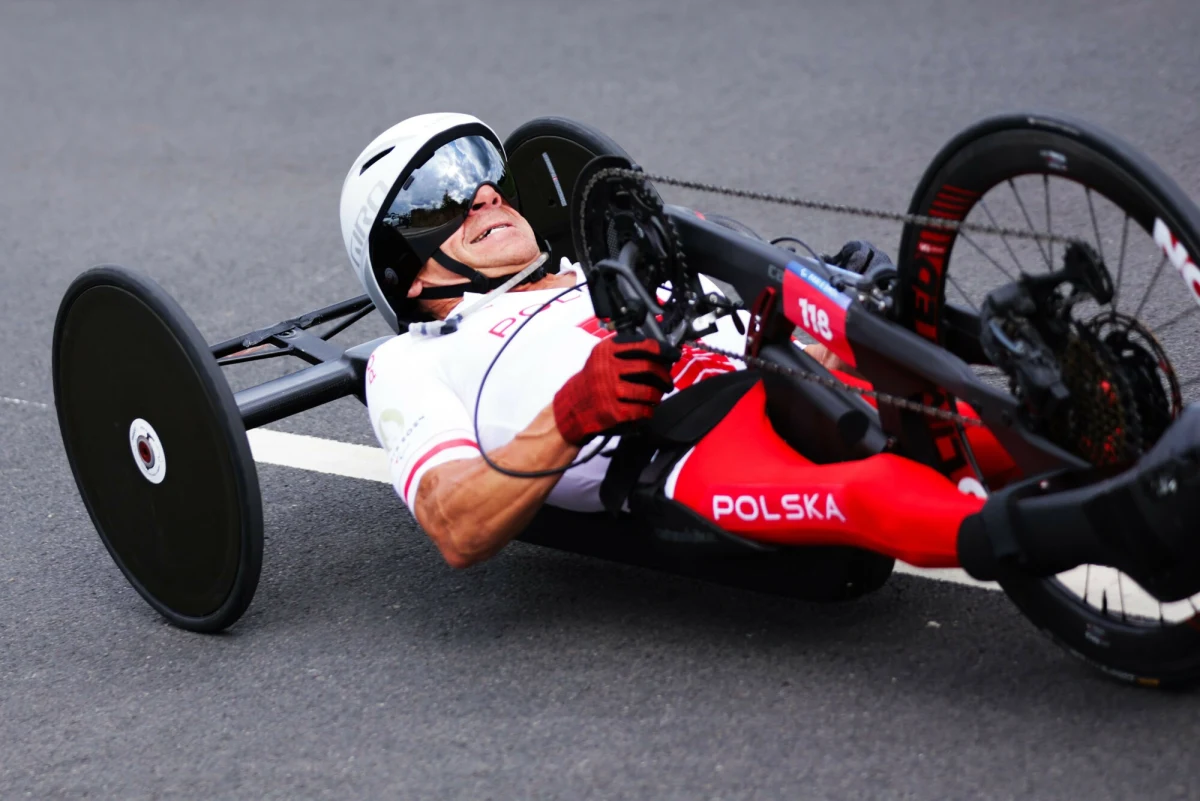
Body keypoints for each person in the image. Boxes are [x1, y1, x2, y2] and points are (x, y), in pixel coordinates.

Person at [341, 113, 990, 570]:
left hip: (775, 374)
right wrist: (572, 414)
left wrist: (835, 310)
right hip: (679, 444)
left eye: (485, 175)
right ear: (409, 269)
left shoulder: (599, 268)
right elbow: (455, 524)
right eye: (441, 200)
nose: (483, 194)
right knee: (869, 492)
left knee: (977, 418)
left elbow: (748, 324)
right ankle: (1041, 534)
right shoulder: (410, 360)